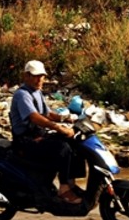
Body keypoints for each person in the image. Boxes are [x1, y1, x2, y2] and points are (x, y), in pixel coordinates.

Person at [10, 60, 81, 204]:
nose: (39, 79)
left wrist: (65, 118)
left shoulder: (37, 92)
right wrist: (58, 127)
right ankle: (64, 190)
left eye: (41, 76)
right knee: (62, 148)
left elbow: (47, 113)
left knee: (74, 142)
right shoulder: (22, 95)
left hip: (38, 135)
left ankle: (70, 183)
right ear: (26, 76)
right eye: (35, 76)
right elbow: (34, 117)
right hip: (25, 141)